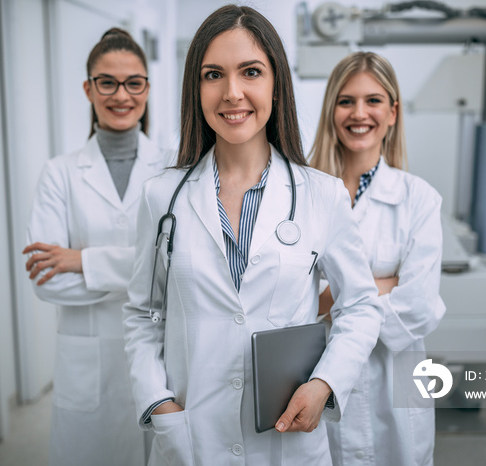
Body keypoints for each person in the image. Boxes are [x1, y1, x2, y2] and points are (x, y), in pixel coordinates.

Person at [122, 6, 385, 465]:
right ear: (195, 88)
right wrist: (159, 405)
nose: (232, 93)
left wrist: (325, 383)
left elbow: (360, 306)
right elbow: (144, 315)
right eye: (213, 74)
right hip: (192, 438)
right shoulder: (161, 197)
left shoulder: (320, 196)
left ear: (276, 85)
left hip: (285, 440)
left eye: (251, 72)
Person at [23, 28, 169, 466]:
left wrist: (82, 261)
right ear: (88, 89)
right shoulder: (59, 173)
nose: (120, 95)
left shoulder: (173, 167)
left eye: (133, 82)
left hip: (159, 359)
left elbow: (180, 268)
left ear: (147, 87)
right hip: (87, 363)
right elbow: (47, 283)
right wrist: (145, 277)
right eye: (107, 82)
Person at [309, 51, 446, 466]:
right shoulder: (304, 194)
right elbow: (286, 299)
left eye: (373, 101)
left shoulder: (418, 198)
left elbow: (420, 307)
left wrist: (334, 296)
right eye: (346, 101)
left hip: (395, 384)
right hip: (321, 376)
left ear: (392, 112)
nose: (359, 113)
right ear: (332, 110)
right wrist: (383, 285)